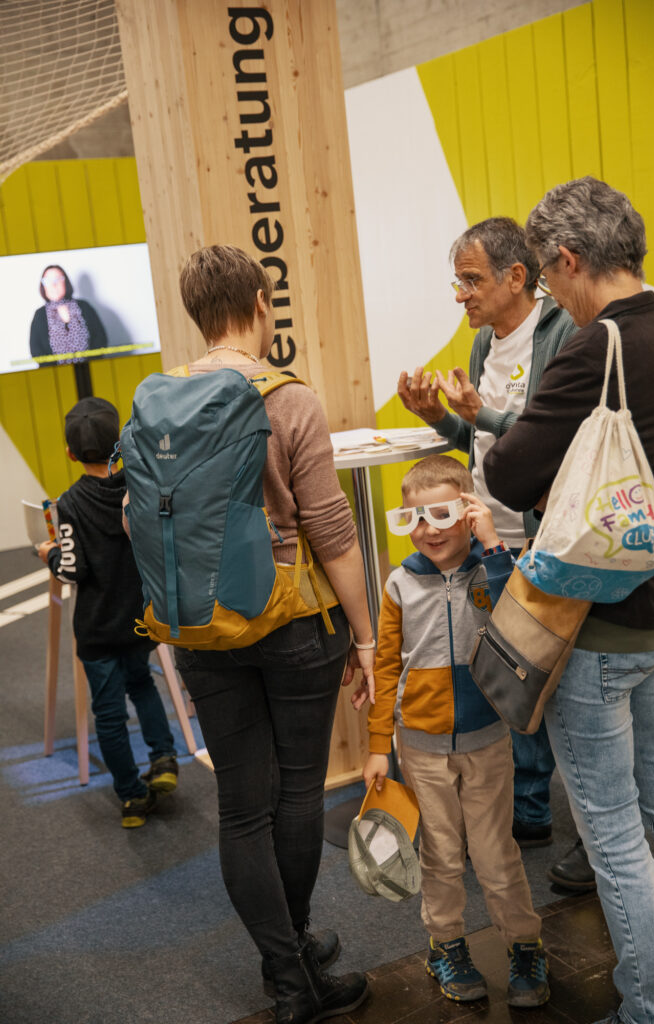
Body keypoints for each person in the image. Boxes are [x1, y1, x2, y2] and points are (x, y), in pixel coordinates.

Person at [153, 245, 374, 1024]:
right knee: (297, 793)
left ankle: (287, 976)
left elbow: (128, 515)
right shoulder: (289, 399)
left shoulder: (159, 399)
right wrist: (368, 636)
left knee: (243, 807)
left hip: (200, 626)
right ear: (256, 302)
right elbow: (332, 530)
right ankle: (298, 954)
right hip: (292, 621)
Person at [483, 176, 654, 1024]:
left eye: (550, 275)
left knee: (611, 832)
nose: (553, 294)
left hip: (596, 625)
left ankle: (647, 1006)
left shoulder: (597, 349)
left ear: (567, 260)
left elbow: (508, 472)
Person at [397, 217, 581, 858]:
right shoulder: (484, 345)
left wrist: (487, 415)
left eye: (471, 281)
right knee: (511, 679)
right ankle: (530, 809)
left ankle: (589, 837)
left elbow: (558, 442)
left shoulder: (562, 336)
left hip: (546, 542)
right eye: (458, 281)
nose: (460, 295)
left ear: (517, 277)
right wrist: (442, 418)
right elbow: (483, 445)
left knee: (566, 698)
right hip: (491, 542)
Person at [361, 454, 549, 1009]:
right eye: (415, 519)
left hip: (488, 738)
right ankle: (446, 944)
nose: (428, 530)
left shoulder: (492, 570)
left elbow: (518, 611)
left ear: (469, 513)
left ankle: (523, 943)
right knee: (441, 854)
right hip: (419, 746)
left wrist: (492, 545)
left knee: (495, 852)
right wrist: (377, 746)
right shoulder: (399, 583)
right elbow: (386, 667)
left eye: (443, 516)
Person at [37, 397, 178, 828]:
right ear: (120, 441)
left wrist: (48, 555)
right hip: (139, 618)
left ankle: (133, 800)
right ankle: (165, 758)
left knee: (110, 714)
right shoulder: (139, 487)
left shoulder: (69, 504)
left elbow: (73, 568)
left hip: (97, 630)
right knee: (143, 685)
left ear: (70, 453)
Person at [30, 264, 108, 363]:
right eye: (47, 281)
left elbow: (100, 339)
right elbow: (36, 351)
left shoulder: (84, 306)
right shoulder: (39, 315)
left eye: (58, 279)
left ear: (66, 282)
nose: (53, 285)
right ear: (43, 286)